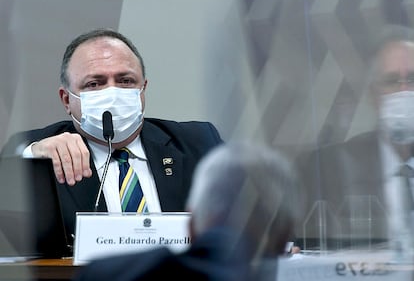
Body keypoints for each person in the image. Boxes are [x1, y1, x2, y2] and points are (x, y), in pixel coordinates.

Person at [0, 28, 223, 249]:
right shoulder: (40, 149)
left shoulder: (197, 141)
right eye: (94, 84)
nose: (112, 93)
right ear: (66, 99)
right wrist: (30, 159)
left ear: (143, 89)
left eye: (125, 81)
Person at [72, 141, 302, 281]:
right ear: (285, 235)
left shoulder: (108, 275)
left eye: (124, 80)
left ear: (190, 225)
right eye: (95, 83)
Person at [294, 24, 414, 253]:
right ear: (373, 94)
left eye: (413, 78)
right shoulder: (328, 170)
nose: (404, 90)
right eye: (391, 81)